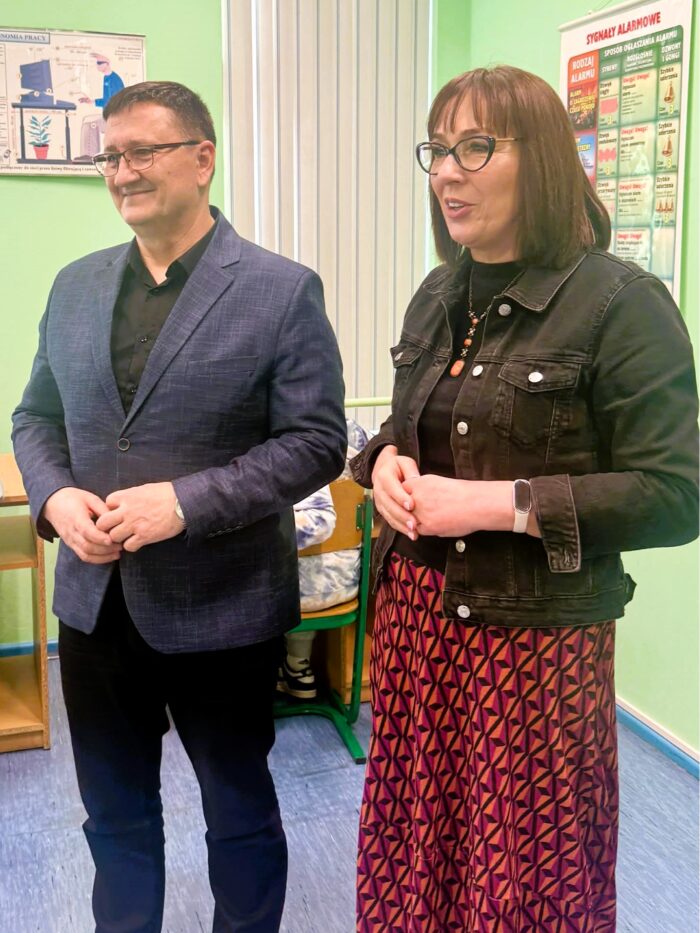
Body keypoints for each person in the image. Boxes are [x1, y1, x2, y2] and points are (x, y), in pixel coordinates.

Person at [351, 65, 698, 932]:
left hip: (533, 645)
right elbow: (412, 424)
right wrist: (383, 460)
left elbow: (676, 493)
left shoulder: (620, 303)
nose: (447, 172)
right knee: (416, 846)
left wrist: (495, 505)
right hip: (415, 624)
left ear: (539, 158)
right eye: (438, 149)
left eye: (477, 147)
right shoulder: (438, 293)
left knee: (526, 874)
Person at [12, 80, 346, 933]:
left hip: (223, 606)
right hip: (94, 606)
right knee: (113, 815)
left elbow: (315, 442)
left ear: (202, 159)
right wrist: (56, 496)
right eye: (110, 157)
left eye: (143, 152)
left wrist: (185, 503)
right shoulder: (75, 285)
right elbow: (36, 417)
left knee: (238, 813)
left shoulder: (280, 290)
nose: (122, 172)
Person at [279, 419, 370, 699]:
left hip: (291, 596)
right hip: (345, 584)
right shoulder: (354, 434)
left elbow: (319, 522)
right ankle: (298, 667)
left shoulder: (290, 444)